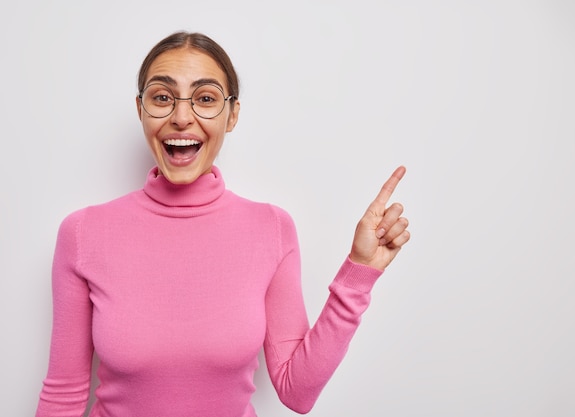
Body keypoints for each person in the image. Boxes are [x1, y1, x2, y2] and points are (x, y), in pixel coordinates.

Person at [35, 31, 410, 417]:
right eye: (162, 97)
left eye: (205, 99)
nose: (182, 117)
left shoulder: (272, 229)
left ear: (232, 115)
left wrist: (359, 272)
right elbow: (63, 395)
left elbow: (297, 392)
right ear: (141, 110)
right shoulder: (83, 234)